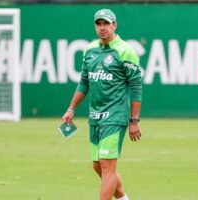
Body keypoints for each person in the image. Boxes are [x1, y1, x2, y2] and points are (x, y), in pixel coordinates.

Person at [61, 8, 142, 200]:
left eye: (106, 23)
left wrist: (134, 120)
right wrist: (71, 109)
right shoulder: (90, 50)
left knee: (107, 165)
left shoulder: (125, 51)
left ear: (115, 25)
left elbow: (136, 87)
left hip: (115, 116)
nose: (102, 27)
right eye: (99, 23)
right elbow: (84, 82)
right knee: (98, 166)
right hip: (95, 117)